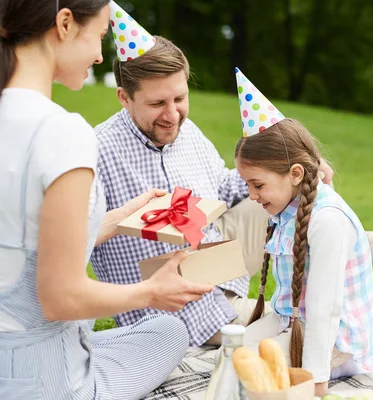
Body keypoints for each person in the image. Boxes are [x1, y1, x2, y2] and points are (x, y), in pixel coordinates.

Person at [0, 1, 213, 399]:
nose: (101, 54)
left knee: (162, 332)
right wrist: (151, 292)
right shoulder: (62, 133)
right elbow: (60, 298)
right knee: (169, 330)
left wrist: (117, 218)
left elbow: (25, 240)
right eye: (99, 35)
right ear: (65, 23)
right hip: (52, 383)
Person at [91, 4, 334, 346]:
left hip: (220, 278)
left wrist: (290, 170)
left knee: (289, 188)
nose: (173, 114)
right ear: (124, 99)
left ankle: (323, 289)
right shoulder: (96, 150)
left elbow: (224, 186)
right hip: (171, 312)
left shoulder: (186, 133)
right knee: (308, 336)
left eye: (180, 97)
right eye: (157, 103)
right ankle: (318, 313)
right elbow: (73, 240)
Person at [234, 68, 373, 397]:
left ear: (296, 173)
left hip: (335, 341)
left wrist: (315, 382)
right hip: (295, 323)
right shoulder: (289, 206)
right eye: (247, 184)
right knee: (232, 354)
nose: (252, 195)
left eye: (257, 184)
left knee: (256, 377)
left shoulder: (328, 220)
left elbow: (324, 310)